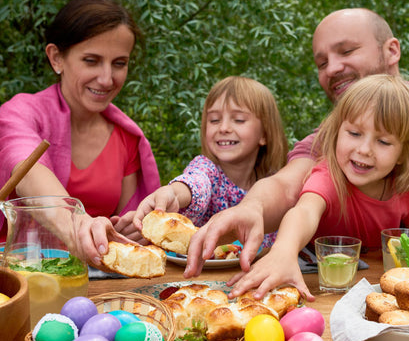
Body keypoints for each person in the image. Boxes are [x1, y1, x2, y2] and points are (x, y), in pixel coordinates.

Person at [184, 8, 409, 297]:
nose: (332, 68)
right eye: (321, 62)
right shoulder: (327, 147)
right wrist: (253, 209)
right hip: (353, 291)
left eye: (346, 50)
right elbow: (290, 192)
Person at [244, 74, 409, 300]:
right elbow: (304, 211)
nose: (364, 149)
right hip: (318, 284)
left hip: (373, 287)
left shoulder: (406, 188)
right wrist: (283, 251)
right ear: (336, 133)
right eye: (354, 134)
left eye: (383, 142)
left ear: (403, 153)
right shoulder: (329, 175)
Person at [0, 0, 160, 266]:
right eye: (91, 60)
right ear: (56, 58)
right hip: (20, 276)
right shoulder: (20, 114)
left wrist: (130, 230)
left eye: (119, 63)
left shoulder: (128, 138)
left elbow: (130, 234)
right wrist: (78, 225)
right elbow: (27, 170)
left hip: (97, 282)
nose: (106, 79)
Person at [115, 76, 287, 249]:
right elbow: (195, 182)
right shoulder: (207, 168)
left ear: (264, 134)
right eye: (214, 120)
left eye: (239, 120)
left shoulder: (275, 182)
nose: (223, 128)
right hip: (203, 275)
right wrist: (172, 193)